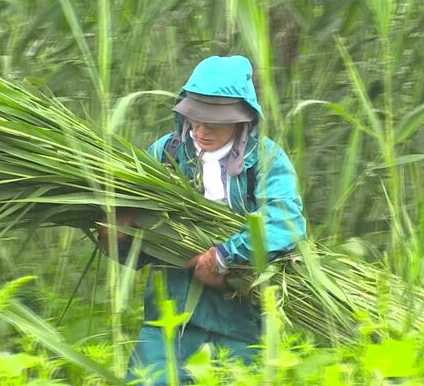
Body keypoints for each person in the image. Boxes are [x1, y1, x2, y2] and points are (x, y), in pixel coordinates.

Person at [100, 55, 307, 385]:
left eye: (215, 120)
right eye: (196, 118)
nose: (201, 129)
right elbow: (145, 244)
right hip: (170, 318)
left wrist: (225, 255)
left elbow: (286, 222)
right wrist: (118, 237)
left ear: (243, 119)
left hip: (240, 320)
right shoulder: (166, 154)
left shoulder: (265, 160)